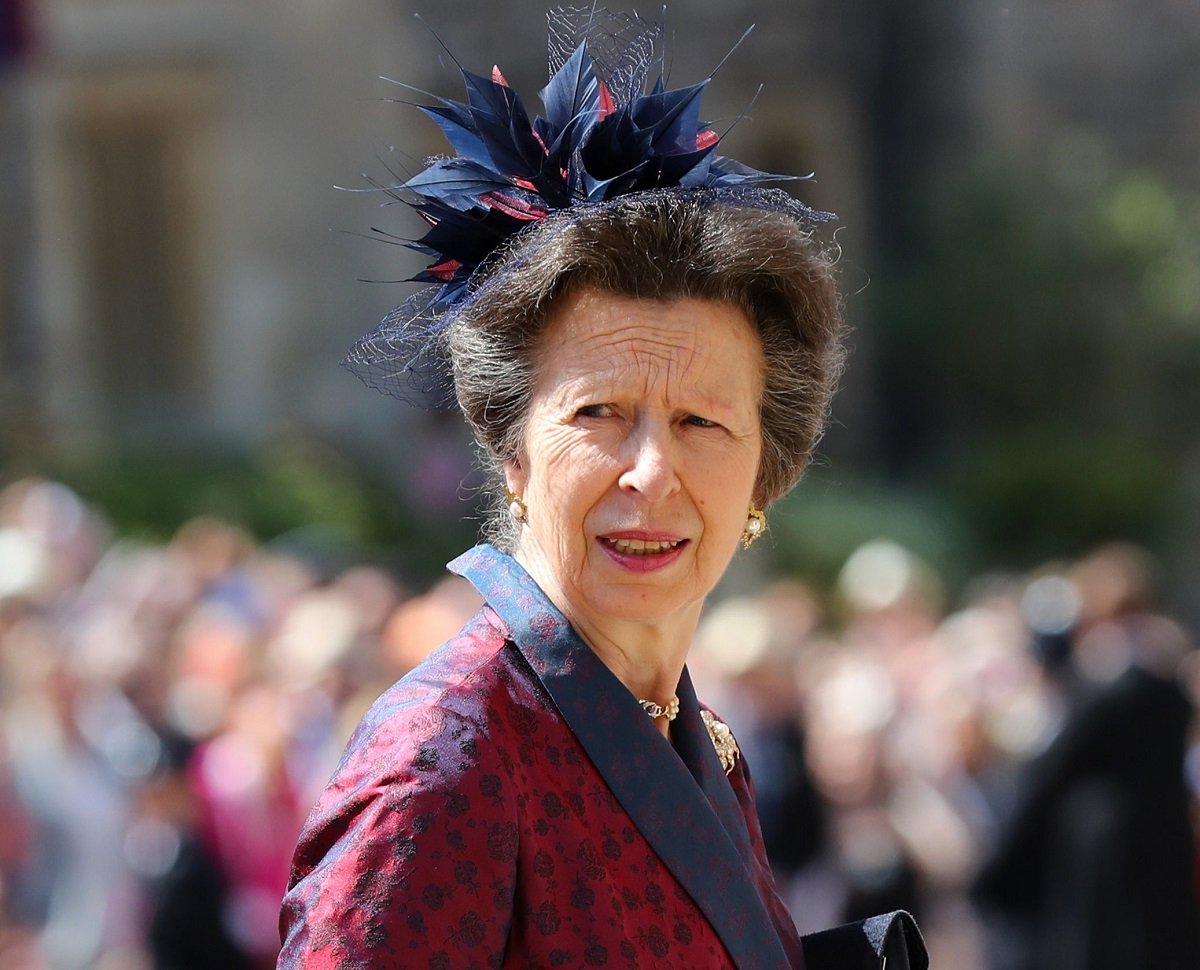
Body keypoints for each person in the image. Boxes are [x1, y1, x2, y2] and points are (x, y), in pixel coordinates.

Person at [278, 9, 926, 969]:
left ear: (764, 474)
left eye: (703, 423)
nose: (652, 472)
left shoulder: (693, 742)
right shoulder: (445, 764)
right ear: (512, 452)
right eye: (598, 414)